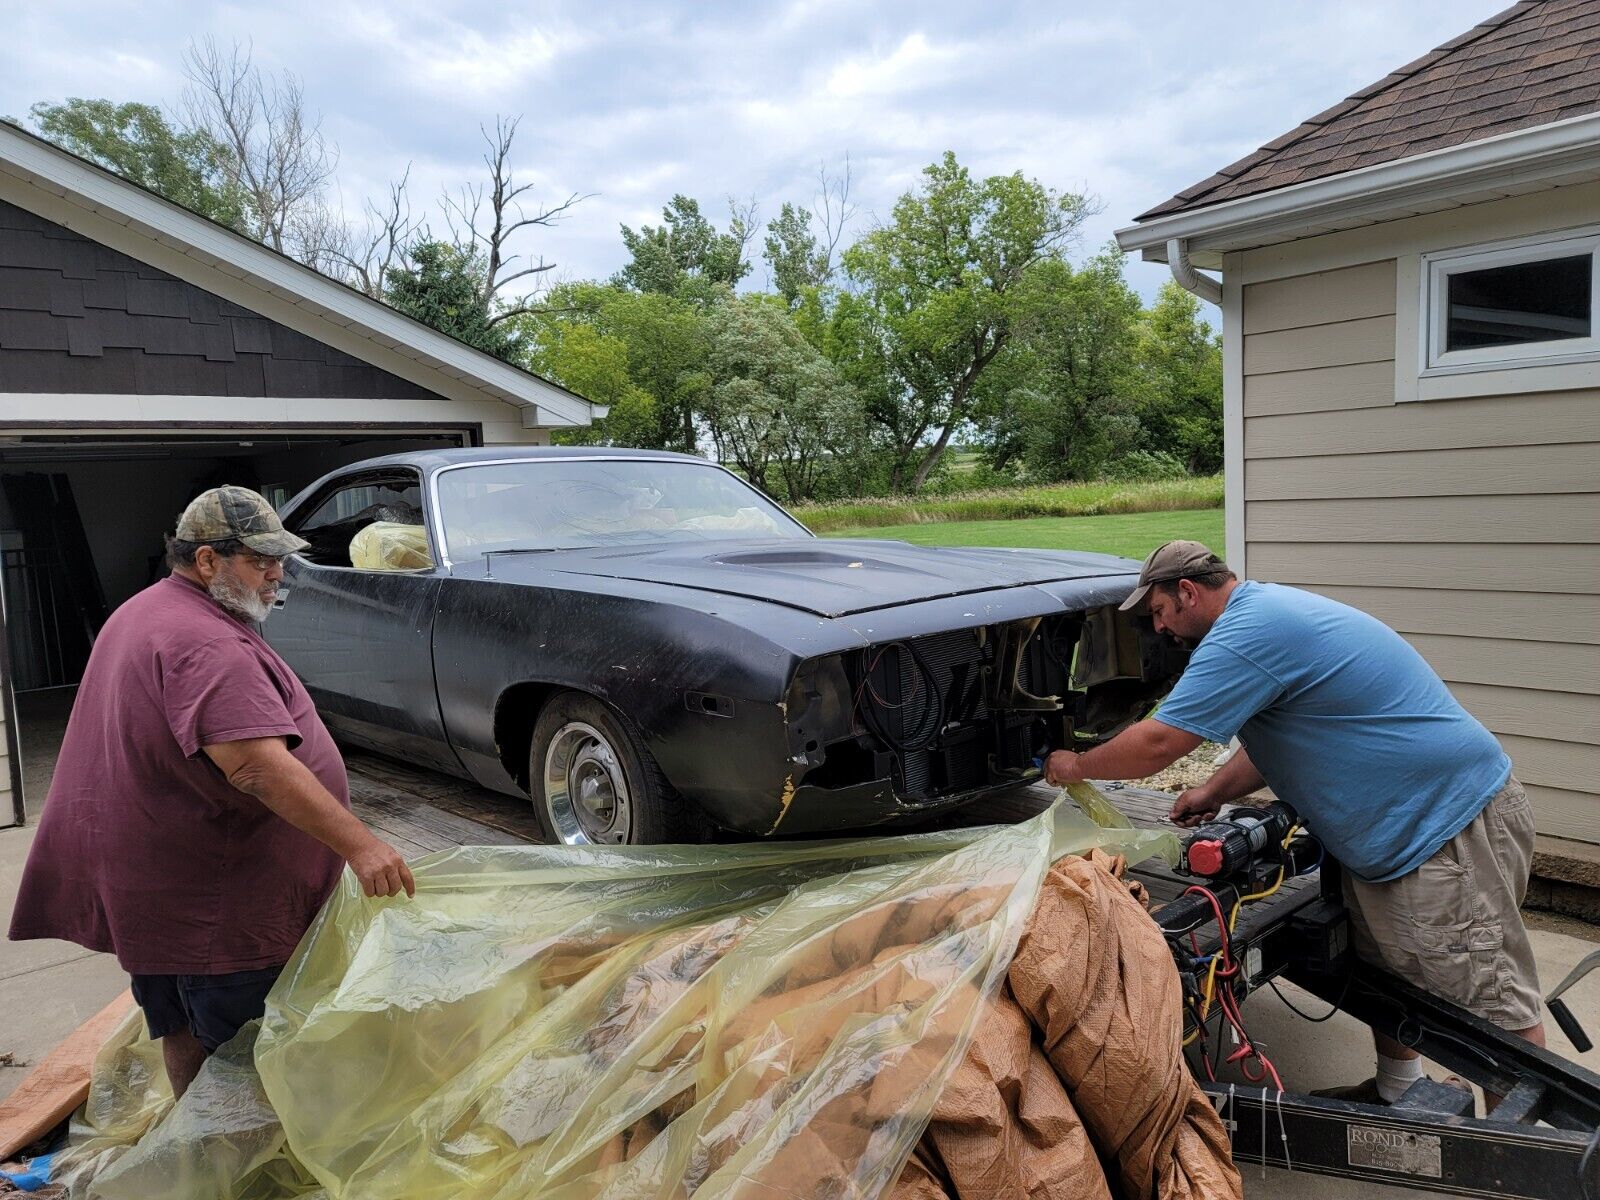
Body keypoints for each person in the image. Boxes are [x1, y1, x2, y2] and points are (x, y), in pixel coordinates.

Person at [1043, 540, 1544, 1109]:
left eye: (1158, 612)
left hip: (1443, 826)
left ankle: (1521, 1159)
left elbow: (1161, 742)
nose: (1159, 630)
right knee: (1390, 972)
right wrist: (1213, 790)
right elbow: (1284, 735)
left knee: (1486, 999)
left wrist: (1075, 765)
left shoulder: (1247, 632)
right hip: (1398, 831)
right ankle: (1397, 1089)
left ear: (1187, 593)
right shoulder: (1266, 616)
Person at [9, 486, 415, 1097]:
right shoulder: (208, 644)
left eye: (279, 558)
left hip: (162, 896)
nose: (278, 573)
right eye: (260, 560)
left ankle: (203, 1165)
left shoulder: (145, 612)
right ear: (206, 562)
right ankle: (244, 1180)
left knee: (186, 1036)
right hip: (220, 912)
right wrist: (361, 846)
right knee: (248, 1066)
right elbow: (256, 768)